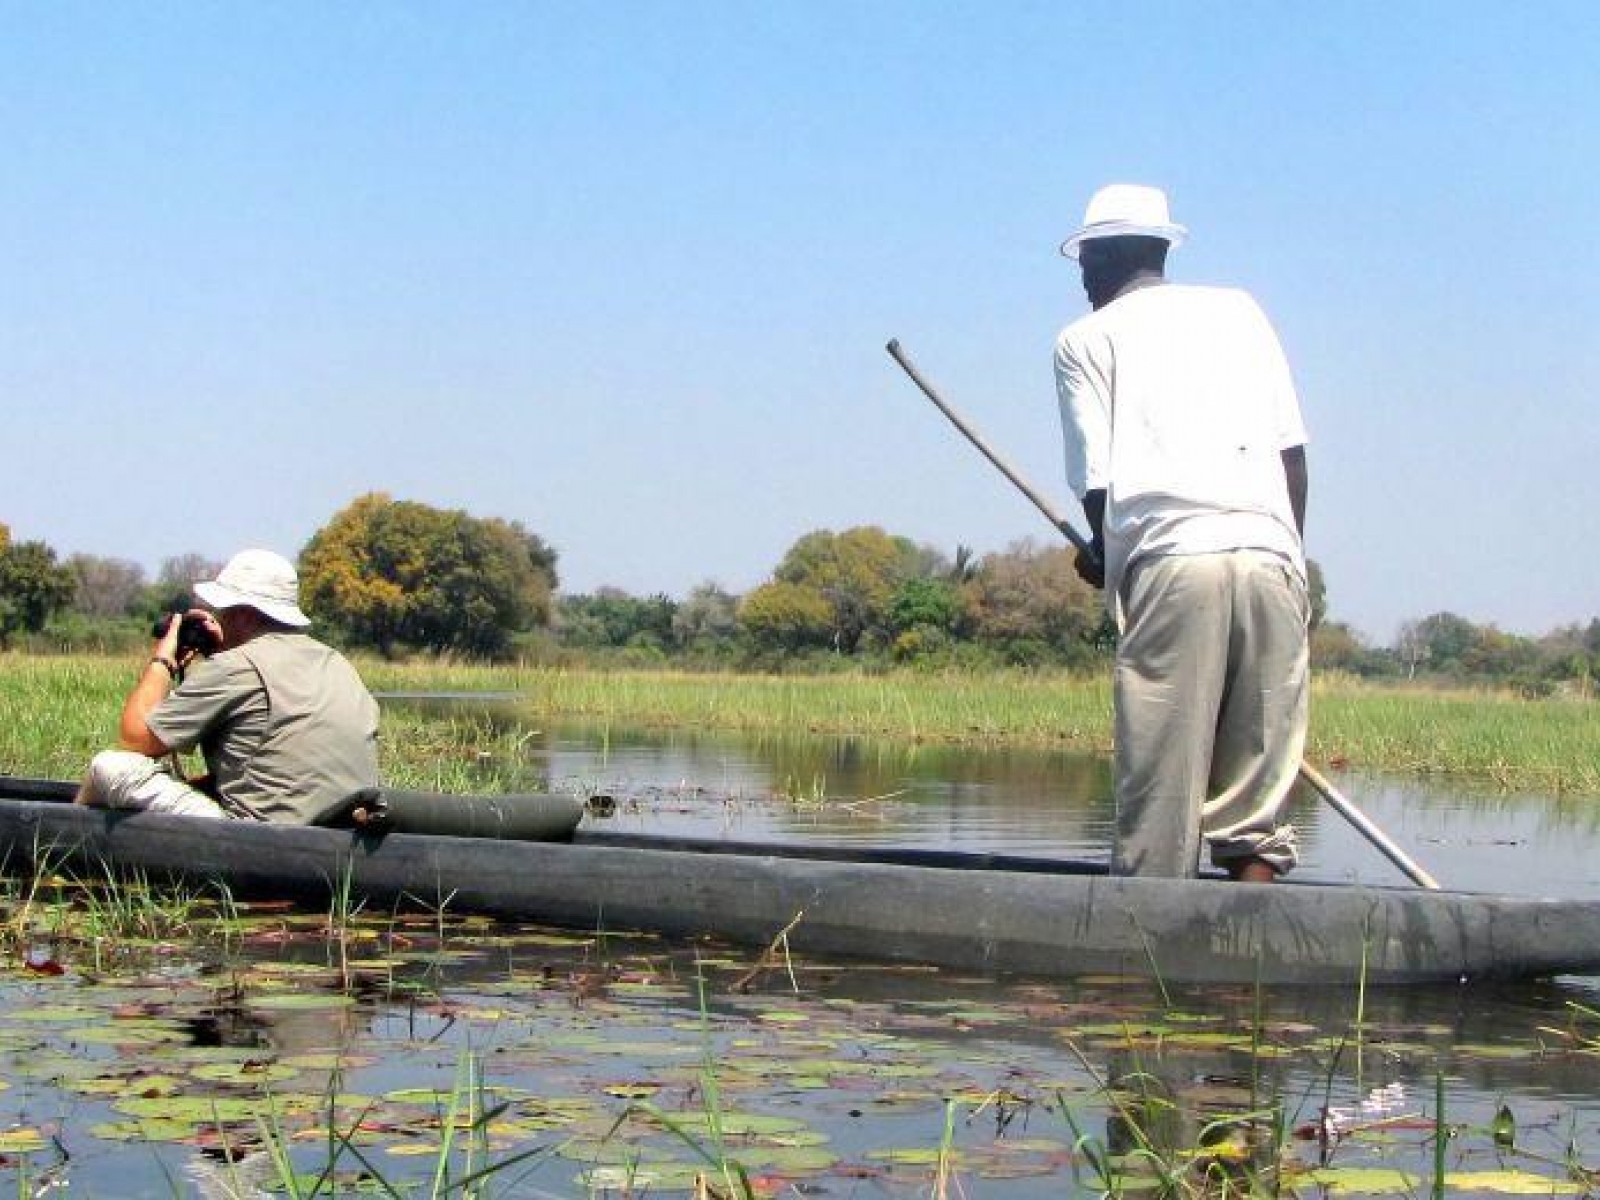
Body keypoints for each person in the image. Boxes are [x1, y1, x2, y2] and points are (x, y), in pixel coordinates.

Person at [1053, 183, 1310, 882]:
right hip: (1273, 558)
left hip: (1173, 563)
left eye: (1085, 259)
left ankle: (1145, 961)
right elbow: (1292, 456)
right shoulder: (1242, 312)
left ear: (1104, 257)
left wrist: (1106, 557)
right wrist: (1293, 566)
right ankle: (1247, 964)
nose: (1080, 276)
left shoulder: (1083, 340)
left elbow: (1097, 486)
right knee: (1256, 806)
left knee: (1159, 799)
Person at [76, 548, 380, 824]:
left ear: (244, 615)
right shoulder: (337, 663)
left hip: (258, 841)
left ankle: (57, 860)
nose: (218, 618)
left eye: (224, 611)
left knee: (109, 766)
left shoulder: (236, 666)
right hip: (340, 829)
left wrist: (164, 660)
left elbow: (136, 739)